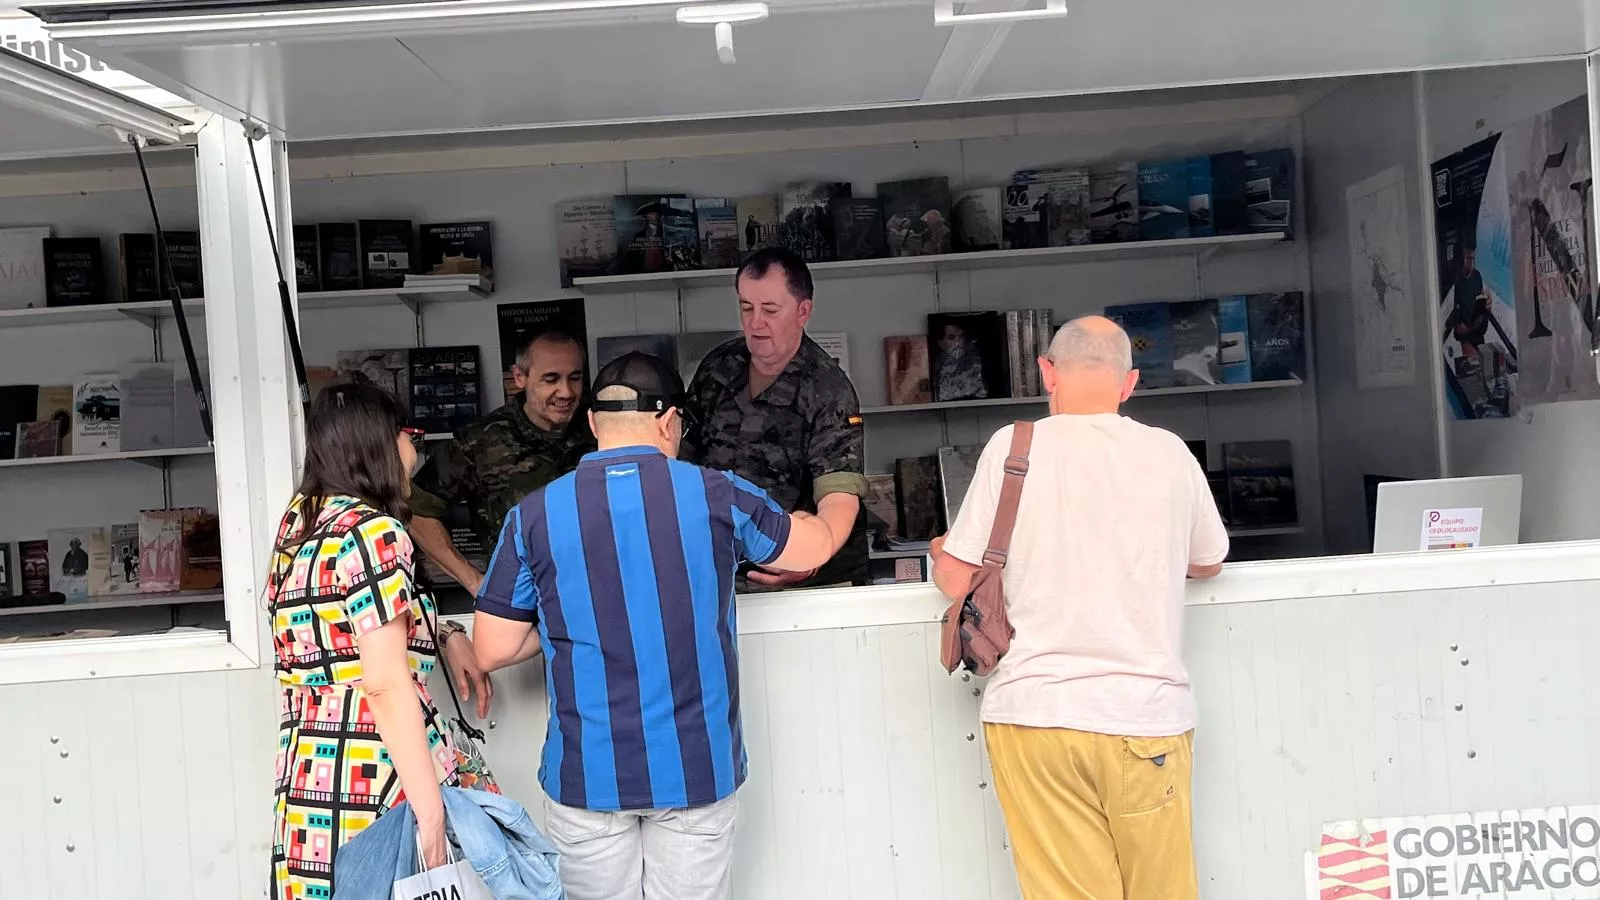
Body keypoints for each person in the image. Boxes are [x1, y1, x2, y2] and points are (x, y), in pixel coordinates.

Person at [471, 352, 852, 900]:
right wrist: (825, 509)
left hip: (588, 775)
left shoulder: (534, 515)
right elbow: (812, 547)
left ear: (593, 422)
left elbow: (491, 647)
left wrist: (565, 616)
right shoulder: (719, 494)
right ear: (670, 421)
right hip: (694, 768)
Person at [928, 315, 1229, 900]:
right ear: (1129, 383)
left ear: (1047, 372)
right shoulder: (1169, 453)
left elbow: (958, 576)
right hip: (1146, 718)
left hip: (1037, 717)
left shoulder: (1013, 447)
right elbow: (1208, 559)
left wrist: (941, 552)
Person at [266, 383, 495, 900]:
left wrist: (444, 632)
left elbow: (340, 631)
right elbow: (386, 685)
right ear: (380, 442)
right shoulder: (374, 533)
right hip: (379, 772)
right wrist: (431, 817)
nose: (415, 452)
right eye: (410, 436)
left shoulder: (299, 524)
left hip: (311, 778)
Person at [681, 246, 869, 591]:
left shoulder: (828, 388)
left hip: (805, 583)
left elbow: (839, 494)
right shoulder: (718, 369)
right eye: (746, 308)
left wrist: (811, 555)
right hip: (724, 575)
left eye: (770, 310)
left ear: (803, 311)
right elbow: (681, 462)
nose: (756, 323)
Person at [409, 327, 596, 595]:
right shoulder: (480, 441)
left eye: (574, 378)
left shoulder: (601, 429)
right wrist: (473, 581)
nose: (565, 392)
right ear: (520, 377)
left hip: (600, 597)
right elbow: (416, 511)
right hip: (524, 602)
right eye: (551, 379)